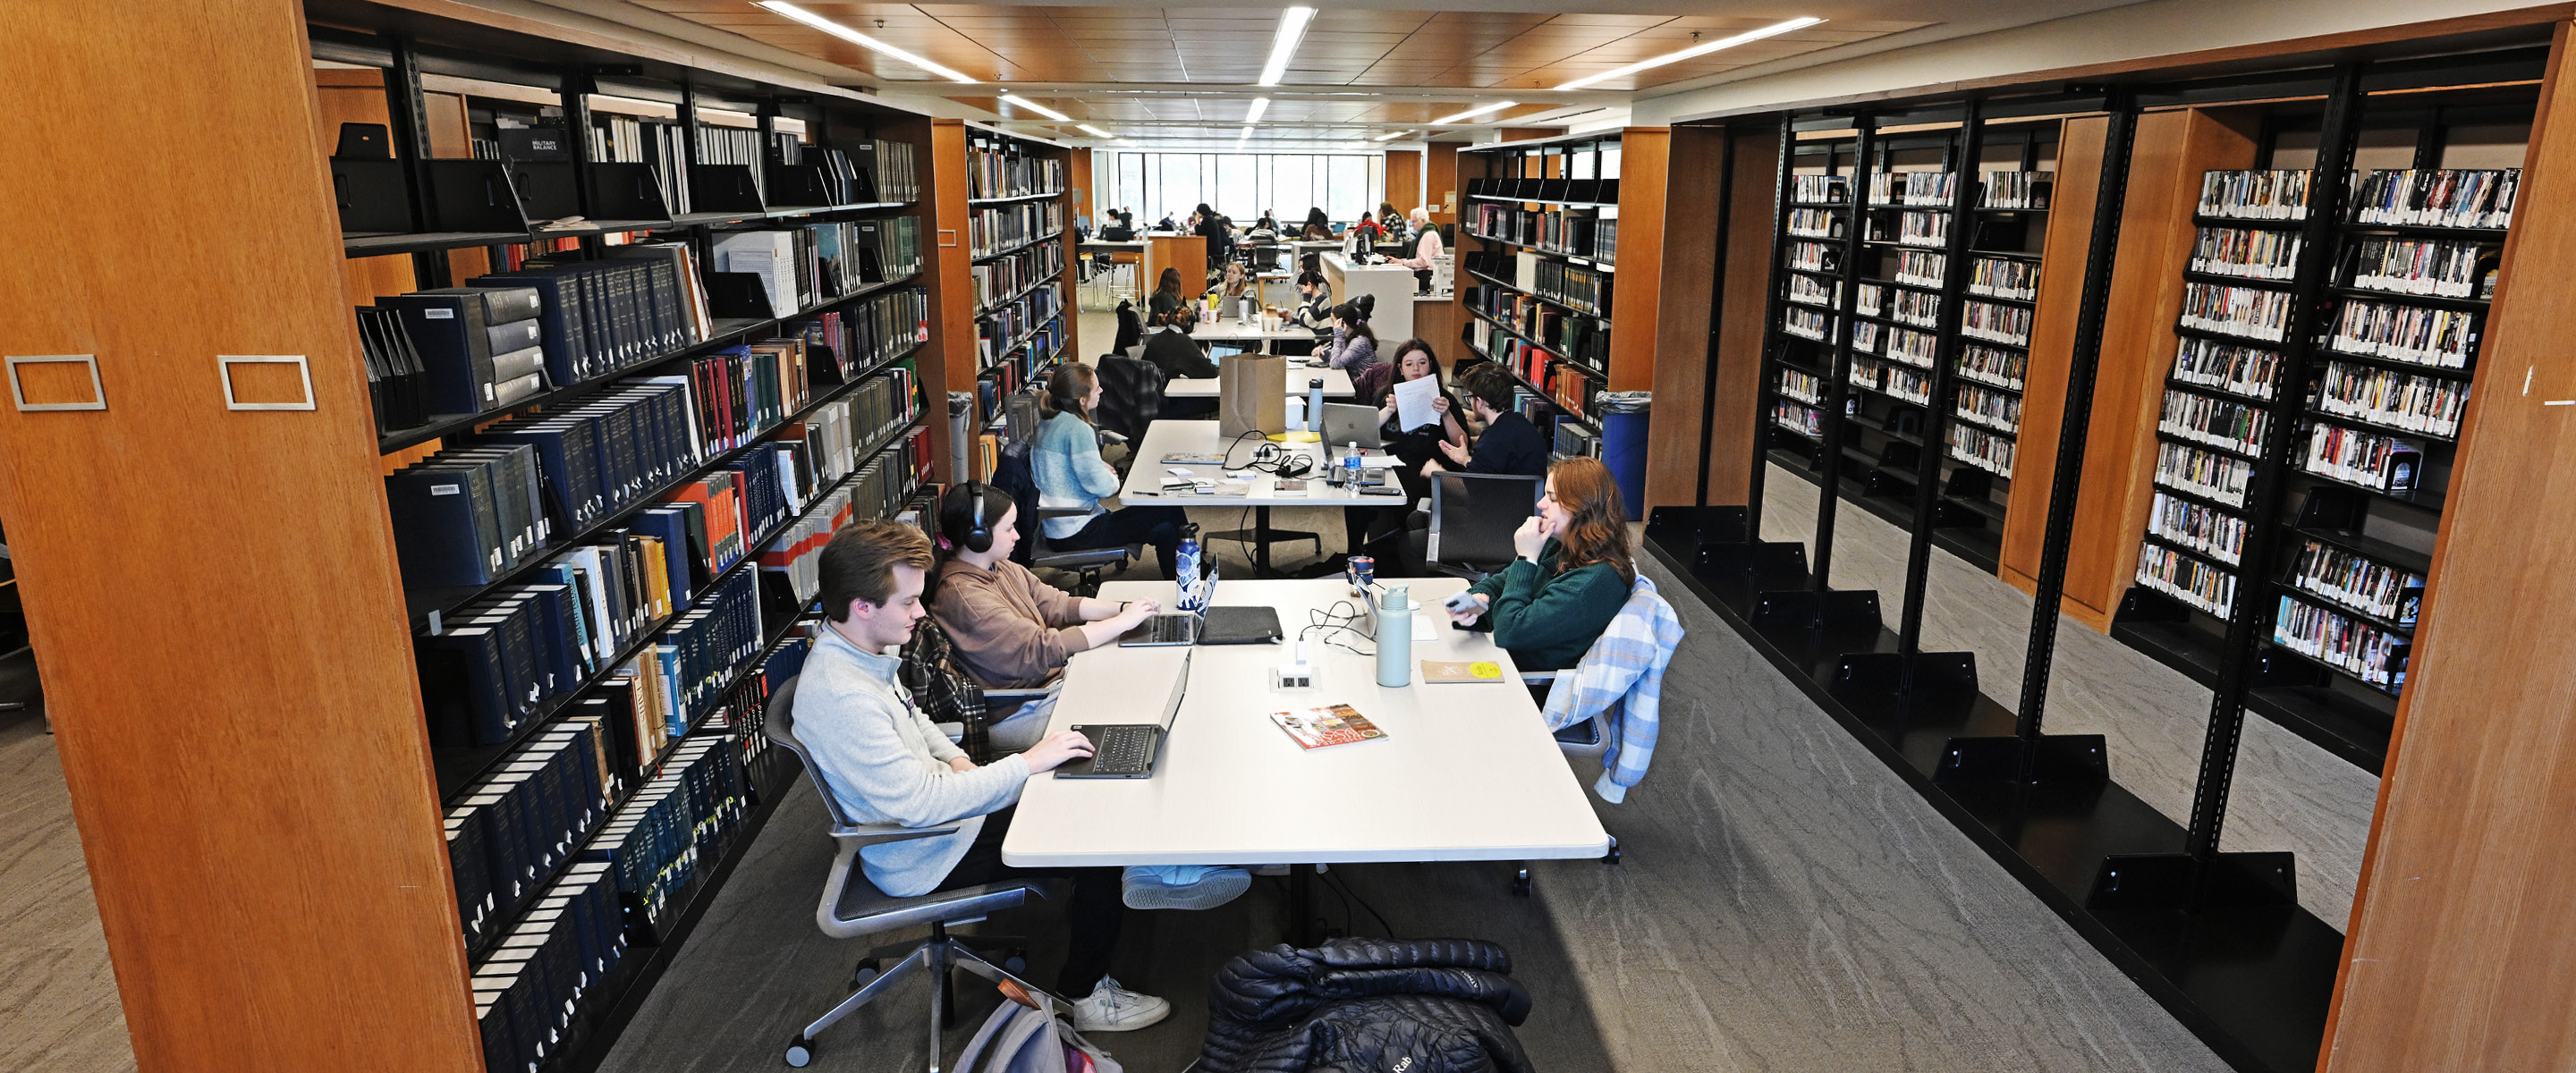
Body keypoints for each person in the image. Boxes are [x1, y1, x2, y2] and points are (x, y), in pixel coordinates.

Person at [787, 519, 1171, 1030]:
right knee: (1089, 840)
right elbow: (921, 806)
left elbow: (916, 720)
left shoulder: (859, 652)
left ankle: (1115, 887)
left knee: (1074, 796)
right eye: (908, 602)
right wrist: (1027, 763)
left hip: (941, 812)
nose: (920, 612)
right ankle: (1086, 997)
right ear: (862, 606)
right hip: (924, 848)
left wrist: (958, 760)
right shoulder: (844, 696)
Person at [1447, 456, 1635, 671]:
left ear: (1582, 507)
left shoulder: (1593, 582)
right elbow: (1499, 584)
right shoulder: (1559, 545)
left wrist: (1526, 558)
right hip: (1499, 659)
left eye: (1552, 498)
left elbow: (1510, 632)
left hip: (1524, 681)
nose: (1540, 504)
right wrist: (1476, 605)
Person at [1033, 363, 1187, 577]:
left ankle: (1185, 579)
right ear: (1082, 400)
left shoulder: (1050, 422)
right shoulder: (1078, 429)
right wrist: (1111, 476)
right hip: (1079, 531)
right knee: (1166, 509)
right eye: (1096, 388)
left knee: (1166, 527)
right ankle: (1189, 579)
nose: (1101, 390)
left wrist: (1097, 466)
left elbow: (1071, 470)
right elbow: (1105, 488)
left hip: (1058, 527)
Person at [1345, 339, 1463, 566]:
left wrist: (1446, 414)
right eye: (1409, 364)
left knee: (1404, 495)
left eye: (1422, 363)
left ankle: (1395, 553)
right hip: (1389, 466)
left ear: (1431, 365)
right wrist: (1388, 411)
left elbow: (1461, 444)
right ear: (1400, 368)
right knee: (1354, 494)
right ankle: (1355, 552)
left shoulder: (1444, 399)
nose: (1416, 369)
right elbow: (1363, 435)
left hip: (1424, 470)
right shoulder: (1387, 396)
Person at [1422, 364, 1546, 477]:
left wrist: (1437, 473)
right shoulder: (1523, 424)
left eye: (1469, 397)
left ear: (1480, 402)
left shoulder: (1492, 439)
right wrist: (1465, 459)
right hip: (1521, 494)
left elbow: (1468, 490)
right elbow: (1490, 469)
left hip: (1500, 495)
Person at [1326, 297, 1381, 376]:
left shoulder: (1359, 341)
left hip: (1363, 382)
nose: (1332, 325)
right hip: (1354, 380)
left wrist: (1338, 336)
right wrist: (1325, 354)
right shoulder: (1349, 336)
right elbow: (1341, 356)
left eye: (1333, 321)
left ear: (1343, 323)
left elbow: (1335, 364)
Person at [1395, 207, 1444, 294]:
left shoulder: (1428, 235)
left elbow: (1423, 262)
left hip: (1426, 276)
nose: (1412, 225)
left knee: (1398, 282)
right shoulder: (1427, 233)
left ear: (1423, 221)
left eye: (1414, 221)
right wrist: (1400, 261)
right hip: (1428, 274)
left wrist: (1403, 262)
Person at [1148, 266, 1191, 331]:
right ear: (1177, 283)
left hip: (1157, 331)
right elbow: (1179, 319)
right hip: (1161, 331)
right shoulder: (1166, 298)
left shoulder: (1163, 296)